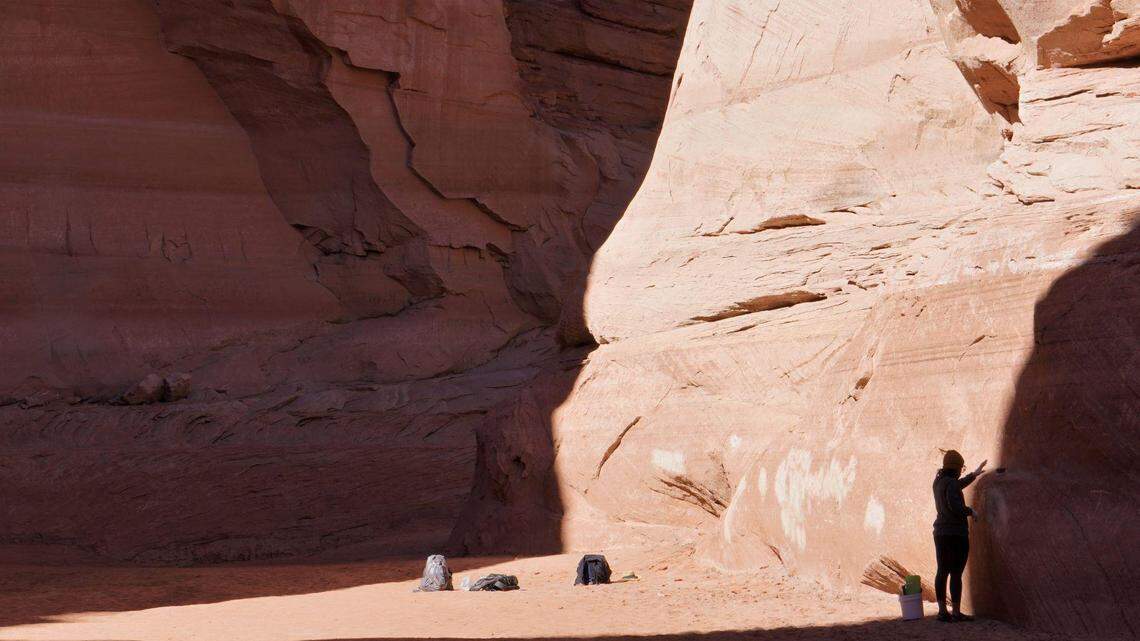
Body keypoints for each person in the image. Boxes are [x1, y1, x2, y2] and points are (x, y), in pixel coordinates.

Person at [932, 449, 986, 622]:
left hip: (940, 533)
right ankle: (955, 612)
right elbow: (956, 505)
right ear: (956, 468)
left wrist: (973, 474)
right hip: (955, 534)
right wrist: (971, 511)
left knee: (942, 571)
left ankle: (942, 612)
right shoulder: (952, 484)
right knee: (956, 573)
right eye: (961, 468)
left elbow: (955, 486)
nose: (961, 471)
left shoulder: (938, 482)